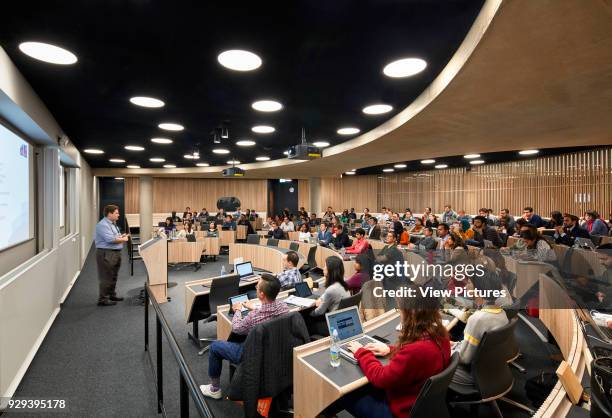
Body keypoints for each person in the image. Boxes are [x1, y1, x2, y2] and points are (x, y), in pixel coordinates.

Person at [331, 288, 450, 418]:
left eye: (400, 310)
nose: (400, 314)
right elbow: (419, 356)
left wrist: (361, 352)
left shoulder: (414, 351)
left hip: (400, 411)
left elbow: (380, 377)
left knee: (345, 395)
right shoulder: (441, 335)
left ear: (411, 314)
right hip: (421, 404)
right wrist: (391, 349)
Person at [200, 274, 289, 399]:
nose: (256, 287)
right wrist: (254, 308)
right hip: (274, 349)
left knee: (215, 347)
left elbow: (237, 328)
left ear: (261, 294)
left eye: (257, 287)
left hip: (253, 354)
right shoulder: (284, 307)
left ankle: (214, 389)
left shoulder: (254, 316)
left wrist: (237, 310)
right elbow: (267, 312)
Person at [451, 275, 508, 389]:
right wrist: (456, 344)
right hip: (493, 372)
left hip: (473, 377)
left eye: (469, 284)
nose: (465, 286)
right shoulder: (502, 313)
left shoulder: (477, 319)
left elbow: (464, 358)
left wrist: (445, 350)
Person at [95, 204, 129, 306]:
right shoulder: (102, 225)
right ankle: (103, 300)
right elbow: (110, 240)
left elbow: (114, 236)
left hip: (115, 253)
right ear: (109, 214)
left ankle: (111, 295)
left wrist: (121, 236)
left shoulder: (112, 223)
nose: (119, 215)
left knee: (113, 275)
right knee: (106, 277)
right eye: (116, 213)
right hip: (106, 253)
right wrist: (124, 239)